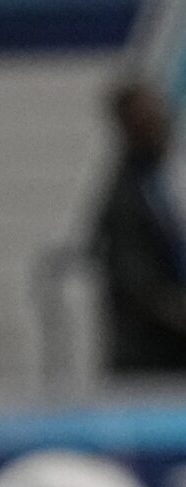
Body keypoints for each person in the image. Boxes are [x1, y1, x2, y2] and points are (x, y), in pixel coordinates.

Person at [95, 80, 186, 372]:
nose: (161, 124)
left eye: (161, 115)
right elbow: (137, 283)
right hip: (149, 357)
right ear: (128, 127)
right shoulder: (125, 198)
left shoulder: (160, 183)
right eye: (149, 118)